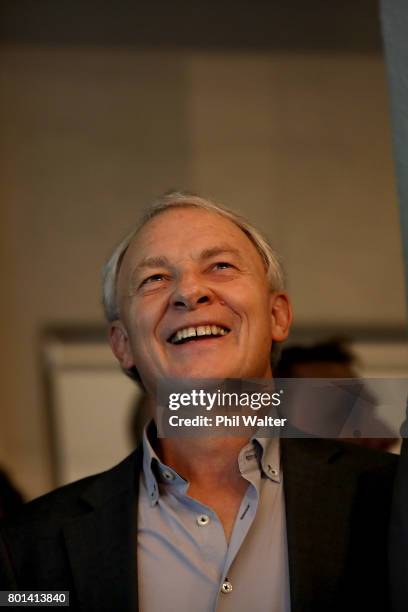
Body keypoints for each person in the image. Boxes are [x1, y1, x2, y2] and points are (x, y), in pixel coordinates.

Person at [0, 192, 398, 611]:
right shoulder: (28, 549)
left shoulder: (391, 497)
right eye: (154, 279)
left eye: (221, 266)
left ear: (277, 315)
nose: (189, 291)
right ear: (122, 344)